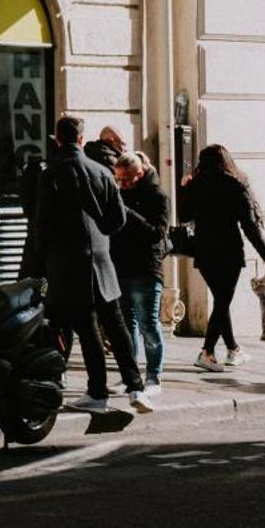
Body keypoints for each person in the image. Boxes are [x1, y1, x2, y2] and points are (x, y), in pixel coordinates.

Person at [38, 115, 150, 412]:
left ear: (58, 139)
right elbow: (118, 220)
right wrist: (100, 239)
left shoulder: (51, 175)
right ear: (81, 140)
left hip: (69, 262)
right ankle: (136, 388)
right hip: (101, 260)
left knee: (87, 330)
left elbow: (44, 226)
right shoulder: (101, 171)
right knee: (116, 325)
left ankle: (97, 393)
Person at [183, 144, 265, 371]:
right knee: (222, 301)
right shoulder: (235, 185)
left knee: (220, 301)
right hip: (229, 251)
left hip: (204, 251)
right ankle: (206, 352)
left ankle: (233, 350)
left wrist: (185, 189)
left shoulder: (195, 185)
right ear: (227, 161)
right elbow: (249, 226)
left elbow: (184, 216)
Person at [112, 152, 169, 391]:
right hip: (121, 267)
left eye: (127, 179)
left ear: (140, 173)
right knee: (127, 326)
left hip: (146, 268)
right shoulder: (119, 195)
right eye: (119, 179)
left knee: (148, 324)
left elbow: (157, 233)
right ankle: (132, 376)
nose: (123, 184)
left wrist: (128, 213)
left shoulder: (157, 196)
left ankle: (153, 376)